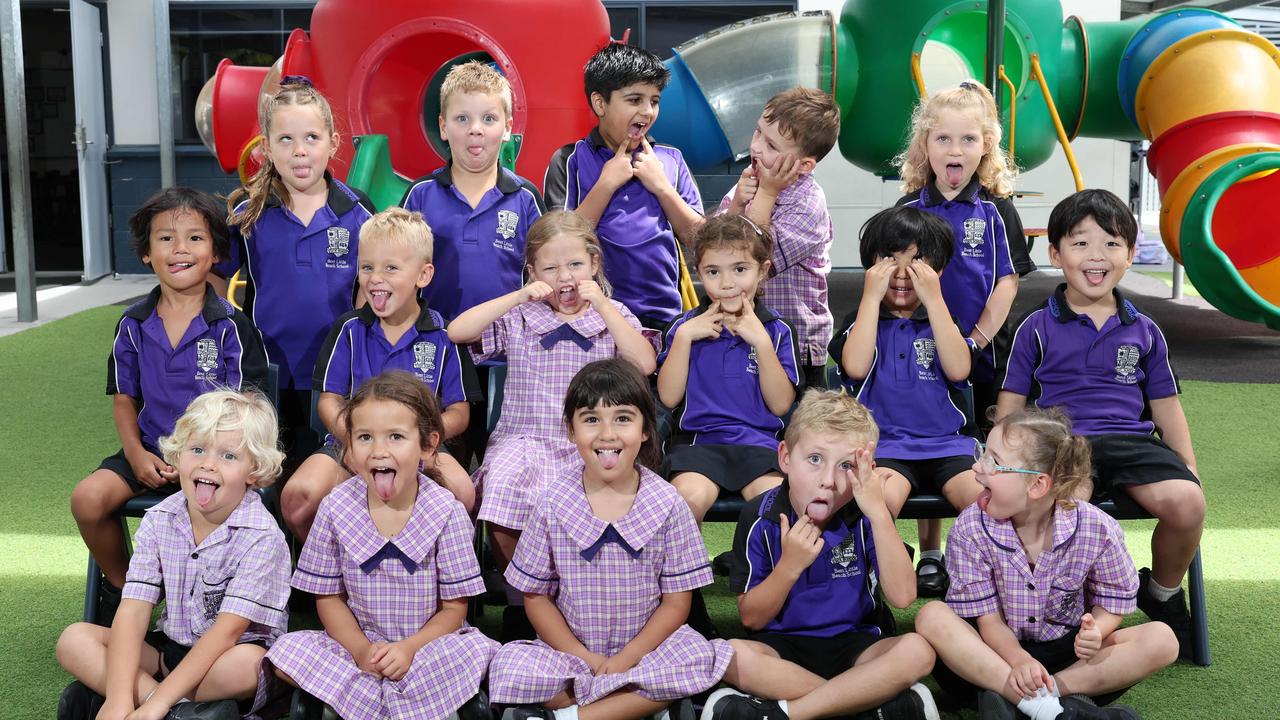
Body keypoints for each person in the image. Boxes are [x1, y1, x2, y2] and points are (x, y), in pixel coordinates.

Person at [996, 189, 1205, 660]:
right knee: (1068, 513)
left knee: (1188, 501)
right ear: (1055, 254)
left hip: (1131, 443)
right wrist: (1006, 460)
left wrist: (1186, 464)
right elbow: (1011, 406)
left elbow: (1166, 405)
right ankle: (1067, 613)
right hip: (1064, 446)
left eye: (1112, 244)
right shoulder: (1034, 327)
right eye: (1081, 243)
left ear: (1131, 255)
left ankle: (1163, 594)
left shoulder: (1145, 329)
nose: (1097, 256)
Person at [448, 210, 656, 640]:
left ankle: (574, 602)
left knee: (585, 495)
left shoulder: (609, 314)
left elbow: (645, 362)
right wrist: (519, 295)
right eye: (550, 267)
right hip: (524, 439)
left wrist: (601, 303)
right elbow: (457, 331)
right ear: (533, 271)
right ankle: (521, 602)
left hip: (589, 444)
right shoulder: (523, 316)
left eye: (576, 264)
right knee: (502, 490)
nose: (565, 276)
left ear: (594, 264)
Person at [488, 358, 732, 720]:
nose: (607, 434)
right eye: (590, 419)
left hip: (648, 651)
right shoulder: (552, 501)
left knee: (697, 656)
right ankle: (629, 708)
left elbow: (676, 604)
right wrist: (585, 658)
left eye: (623, 418)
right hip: (569, 654)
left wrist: (627, 659)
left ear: (646, 430)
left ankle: (572, 716)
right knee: (508, 665)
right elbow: (536, 597)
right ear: (570, 431)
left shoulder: (668, 504)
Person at [70, 187, 268, 626]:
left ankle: (203, 608)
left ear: (216, 252)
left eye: (195, 238)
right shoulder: (133, 324)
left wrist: (199, 463)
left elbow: (246, 407)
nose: (180, 249)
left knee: (204, 516)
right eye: (165, 239)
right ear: (146, 254)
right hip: (148, 454)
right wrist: (138, 456)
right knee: (88, 499)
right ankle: (128, 593)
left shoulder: (232, 326)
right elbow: (124, 398)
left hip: (212, 462)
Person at [915, 409, 1178, 720]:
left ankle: (1037, 697)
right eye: (982, 453)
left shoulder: (1097, 528)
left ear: (1037, 485)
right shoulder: (970, 527)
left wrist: (1097, 631)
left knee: (1163, 639)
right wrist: (1017, 660)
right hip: (992, 654)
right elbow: (989, 622)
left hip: (1070, 659)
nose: (976, 467)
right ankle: (1050, 709)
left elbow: (1114, 600)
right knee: (932, 616)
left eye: (993, 461)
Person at [265, 371, 496, 720]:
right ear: (349, 450)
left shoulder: (445, 510)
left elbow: (454, 610)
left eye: (397, 436)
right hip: (356, 645)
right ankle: (402, 703)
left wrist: (408, 650)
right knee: (287, 652)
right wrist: (360, 651)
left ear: (428, 445)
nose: (379, 450)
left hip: (427, 649)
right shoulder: (335, 506)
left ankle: (367, 703)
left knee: (475, 654)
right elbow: (328, 598)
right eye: (365, 437)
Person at [703, 389, 939, 720]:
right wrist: (789, 567)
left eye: (846, 465)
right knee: (723, 654)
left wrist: (880, 514)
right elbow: (751, 618)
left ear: (864, 469)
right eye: (815, 459)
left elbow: (903, 597)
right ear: (785, 457)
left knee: (918, 651)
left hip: (857, 643)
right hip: (781, 649)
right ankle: (862, 702)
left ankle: (791, 712)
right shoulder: (759, 516)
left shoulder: (866, 514)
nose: (828, 481)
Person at [56, 390, 290, 720]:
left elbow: (227, 632)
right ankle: (174, 708)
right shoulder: (160, 519)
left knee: (248, 667)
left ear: (255, 470)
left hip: (229, 655)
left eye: (228, 456)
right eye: (197, 449)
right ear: (178, 456)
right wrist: (120, 699)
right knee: (74, 640)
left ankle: (153, 701)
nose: (208, 463)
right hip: (169, 652)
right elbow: (134, 608)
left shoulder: (261, 536)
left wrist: (154, 704)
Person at [895, 80, 1034, 595]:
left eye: (968, 140)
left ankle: (987, 555)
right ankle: (930, 552)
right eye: (943, 140)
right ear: (925, 146)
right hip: (917, 352)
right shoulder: (908, 206)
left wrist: (976, 338)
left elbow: (1008, 280)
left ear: (986, 148)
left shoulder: (998, 209)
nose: (955, 151)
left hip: (982, 351)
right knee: (924, 441)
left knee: (979, 446)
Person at [281, 207, 481, 541]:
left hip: (421, 449)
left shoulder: (443, 334)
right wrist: (354, 440)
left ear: (423, 275)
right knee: (298, 498)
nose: (375, 278)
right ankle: (332, 574)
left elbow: (460, 412)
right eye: (367, 267)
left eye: (390, 268)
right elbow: (328, 401)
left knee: (463, 494)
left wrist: (418, 443)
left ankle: (431, 579)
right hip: (350, 444)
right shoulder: (348, 329)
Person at [216, 77, 375, 462]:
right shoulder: (249, 214)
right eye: (286, 140)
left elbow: (372, 283)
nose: (299, 151)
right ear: (267, 148)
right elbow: (214, 274)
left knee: (326, 475)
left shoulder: (358, 212)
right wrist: (229, 333)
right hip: (266, 372)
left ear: (333, 143)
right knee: (269, 474)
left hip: (337, 375)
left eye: (311, 138)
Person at [401, 59, 547, 467]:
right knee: (441, 465)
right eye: (462, 118)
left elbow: (543, 276)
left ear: (508, 125)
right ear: (444, 127)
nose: (475, 129)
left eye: (488, 117)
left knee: (499, 462)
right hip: (436, 352)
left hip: (507, 357)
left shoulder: (525, 199)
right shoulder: (420, 197)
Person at [829, 206, 984, 579]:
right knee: (877, 506)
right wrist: (869, 298)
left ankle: (967, 576)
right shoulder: (863, 320)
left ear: (938, 271)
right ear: (870, 266)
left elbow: (959, 368)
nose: (900, 273)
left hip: (949, 446)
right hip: (886, 450)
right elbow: (854, 367)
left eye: (917, 262)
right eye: (888, 259)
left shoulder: (943, 319)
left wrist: (934, 301)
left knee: (986, 506)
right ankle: (875, 581)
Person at [543, 43, 704, 331]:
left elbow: (700, 241)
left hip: (665, 315)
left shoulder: (671, 160)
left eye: (654, 101)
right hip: (592, 316)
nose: (647, 111)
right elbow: (558, 245)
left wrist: (663, 188)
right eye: (634, 100)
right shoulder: (569, 160)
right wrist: (605, 184)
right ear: (599, 103)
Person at [657, 213, 800, 524]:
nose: (727, 283)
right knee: (685, 502)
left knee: (777, 508)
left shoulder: (777, 331)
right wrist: (683, 339)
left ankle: (760, 571)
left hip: (760, 446)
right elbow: (668, 398)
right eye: (713, 271)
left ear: (762, 271)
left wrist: (761, 343)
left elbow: (780, 404)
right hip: (698, 446)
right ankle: (683, 573)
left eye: (739, 269)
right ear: (698, 273)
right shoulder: (683, 328)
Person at [721, 87, 840, 390]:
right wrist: (736, 205)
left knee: (797, 428)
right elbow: (717, 248)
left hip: (795, 345)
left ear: (804, 165)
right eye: (758, 132)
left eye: (772, 145)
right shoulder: (749, 181)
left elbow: (751, 256)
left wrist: (767, 193)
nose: (757, 147)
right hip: (742, 335)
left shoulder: (808, 204)